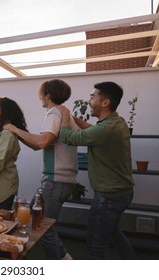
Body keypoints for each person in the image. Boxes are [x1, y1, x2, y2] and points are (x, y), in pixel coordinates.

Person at [58, 81, 135, 260]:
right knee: (114, 234)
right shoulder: (115, 122)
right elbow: (94, 130)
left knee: (95, 242)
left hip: (109, 197)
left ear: (105, 102)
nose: (89, 100)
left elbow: (68, 137)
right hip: (120, 193)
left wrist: (63, 117)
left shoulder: (106, 128)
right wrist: (74, 119)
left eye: (93, 97)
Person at [4, 79, 78, 260]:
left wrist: (13, 128)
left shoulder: (53, 113)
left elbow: (42, 141)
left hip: (55, 181)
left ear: (48, 95)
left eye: (41, 92)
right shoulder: (65, 115)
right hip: (59, 181)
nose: (39, 96)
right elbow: (38, 146)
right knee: (34, 222)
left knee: (42, 228)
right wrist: (17, 132)